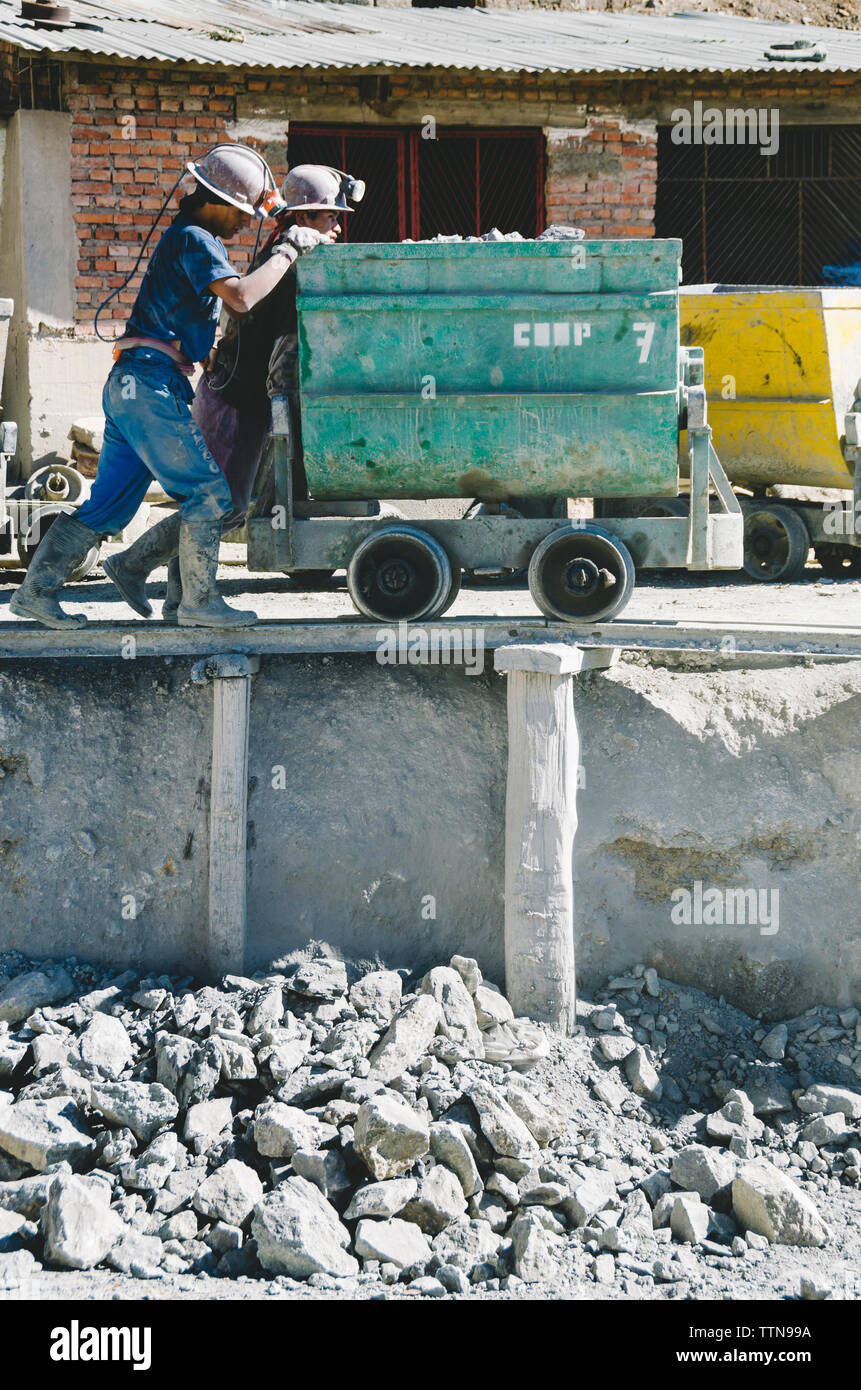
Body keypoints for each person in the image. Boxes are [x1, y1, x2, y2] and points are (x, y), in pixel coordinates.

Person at [10, 144, 300, 630]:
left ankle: (35, 594)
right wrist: (288, 250)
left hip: (132, 383)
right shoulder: (196, 239)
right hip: (148, 388)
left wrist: (206, 352)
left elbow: (187, 325)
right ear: (216, 200)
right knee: (209, 494)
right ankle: (199, 604)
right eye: (241, 212)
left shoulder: (186, 240)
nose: (245, 223)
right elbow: (244, 297)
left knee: (108, 507)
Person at [96, 166, 361, 622]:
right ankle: (135, 564)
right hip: (234, 400)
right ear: (305, 218)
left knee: (225, 507)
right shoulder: (285, 260)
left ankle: (179, 599)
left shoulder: (285, 256)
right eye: (329, 218)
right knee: (221, 504)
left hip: (242, 398)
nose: (337, 227)